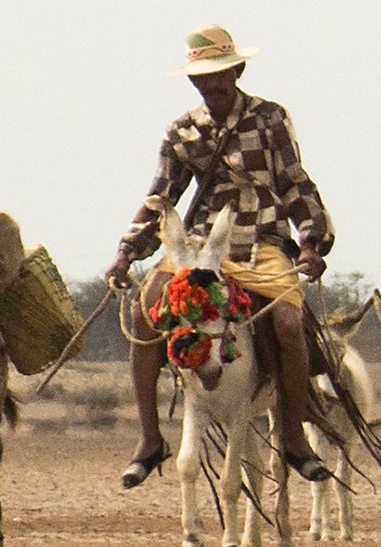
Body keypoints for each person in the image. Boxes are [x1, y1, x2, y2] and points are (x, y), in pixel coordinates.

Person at [107, 27, 337, 489]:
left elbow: (294, 182)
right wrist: (127, 251)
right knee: (145, 310)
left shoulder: (270, 118)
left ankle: (292, 435)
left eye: (217, 74)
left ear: (237, 71)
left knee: (289, 325)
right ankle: (150, 439)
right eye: (200, 76)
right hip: (198, 246)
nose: (209, 84)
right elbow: (161, 198)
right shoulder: (181, 131)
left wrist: (312, 240)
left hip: (263, 241)